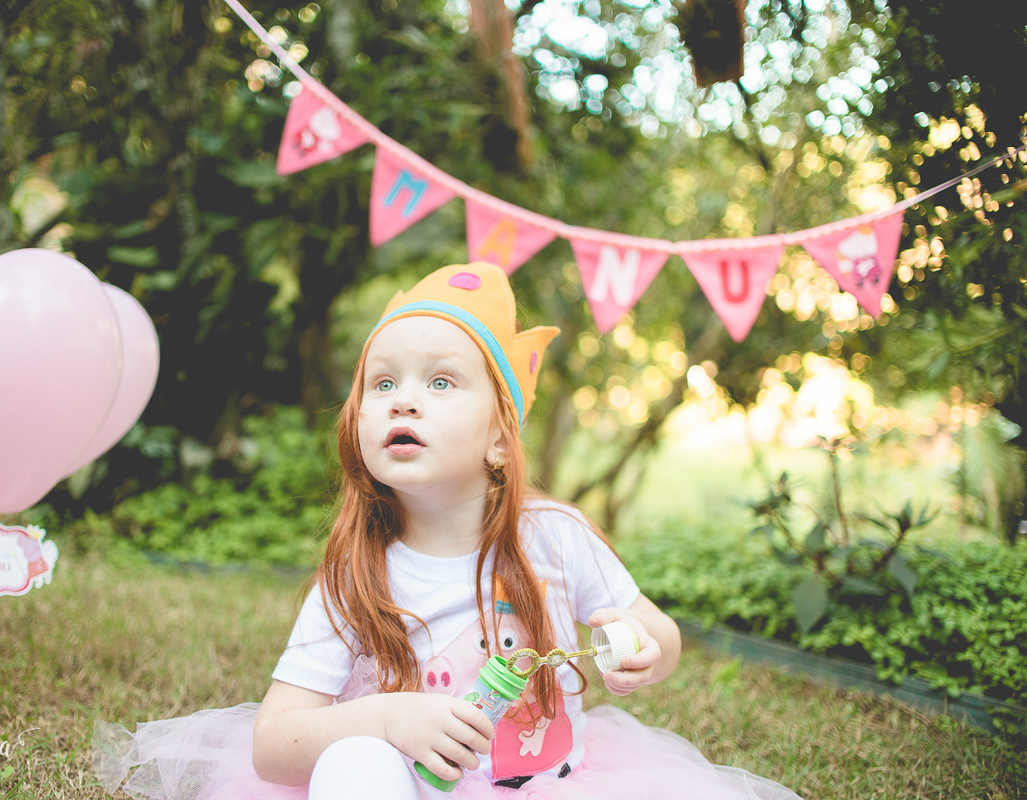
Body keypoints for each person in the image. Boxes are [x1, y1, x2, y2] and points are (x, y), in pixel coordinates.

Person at [94, 262, 805, 800]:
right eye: (382, 384)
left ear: (501, 437)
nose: (404, 397)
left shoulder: (554, 537)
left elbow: (655, 628)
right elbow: (274, 745)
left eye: (441, 383)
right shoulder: (353, 578)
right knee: (351, 761)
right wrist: (387, 720)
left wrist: (649, 646)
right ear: (360, 422)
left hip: (549, 786)